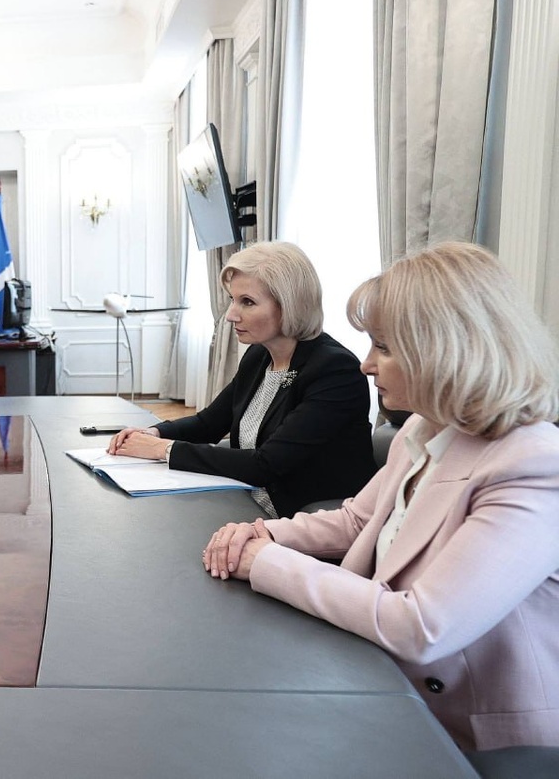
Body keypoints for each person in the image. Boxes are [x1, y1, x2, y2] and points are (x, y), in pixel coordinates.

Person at [203, 242, 559, 752]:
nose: (367, 365)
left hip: (476, 740)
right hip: (384, 687)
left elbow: (421, 627)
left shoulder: (535, 465)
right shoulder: (424, 428)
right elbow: (354, 520)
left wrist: (266, 562)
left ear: (448, 348)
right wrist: (261, 533)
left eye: (384, 348)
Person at [109, 241, 375, 516]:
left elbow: (266, 465)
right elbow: (209, 423)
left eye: (247, 302)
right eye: (232, 300)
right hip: (244, 498)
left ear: (290, 305)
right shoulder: (259, 355)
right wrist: (154, 433)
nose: (231, 315)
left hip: (301, 518)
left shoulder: (335, 370)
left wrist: (164, 450)